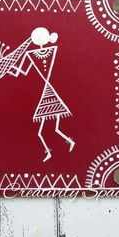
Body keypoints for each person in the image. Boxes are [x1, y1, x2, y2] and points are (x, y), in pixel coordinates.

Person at [8, 27, 75, 162]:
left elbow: (22, 71)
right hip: (50, 95)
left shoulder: (31, 54)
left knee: (41, 132)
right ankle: (68, 143)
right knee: (55, 128)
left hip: (48, 97)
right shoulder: (52, 50)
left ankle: (52, 151)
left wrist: (10, 68)